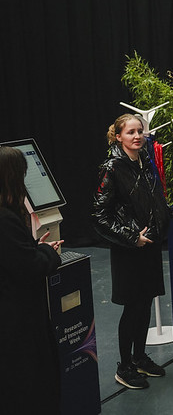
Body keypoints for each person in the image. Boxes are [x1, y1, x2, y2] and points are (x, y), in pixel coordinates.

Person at [92, 113, 171, 390]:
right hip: (129, 249)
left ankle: (139, 358)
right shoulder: (112, 168)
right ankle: (124, 366)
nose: (137, 136)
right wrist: (131, 237)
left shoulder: (145, 160)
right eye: (130, 132)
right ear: (118, 137)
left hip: (149, 245)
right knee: (132, 307)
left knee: (145, 302)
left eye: (140, 131)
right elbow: (99, 215)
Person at [0, 146, 63, 414]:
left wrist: (35, 248)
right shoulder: (5, 219)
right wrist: (48, 253)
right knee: (31, 387)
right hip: (18, 323)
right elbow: (29, 267)